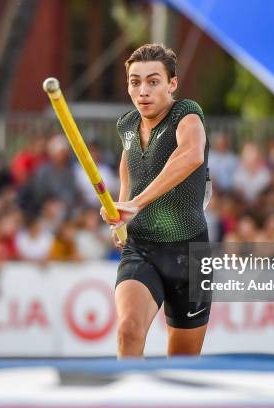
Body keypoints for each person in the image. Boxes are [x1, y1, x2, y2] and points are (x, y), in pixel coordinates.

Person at [100, 43, 211, 358]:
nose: (143, 91)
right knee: (128, 329)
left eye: (153, 81)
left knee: (183, 363)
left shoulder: (186, 114)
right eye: (135, 82)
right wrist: (121, 208)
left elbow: (190, 155)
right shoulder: (127, 126)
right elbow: (129, 166)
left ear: (171, 84)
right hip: (142, 249)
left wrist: (138, 203)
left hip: (190, 254)